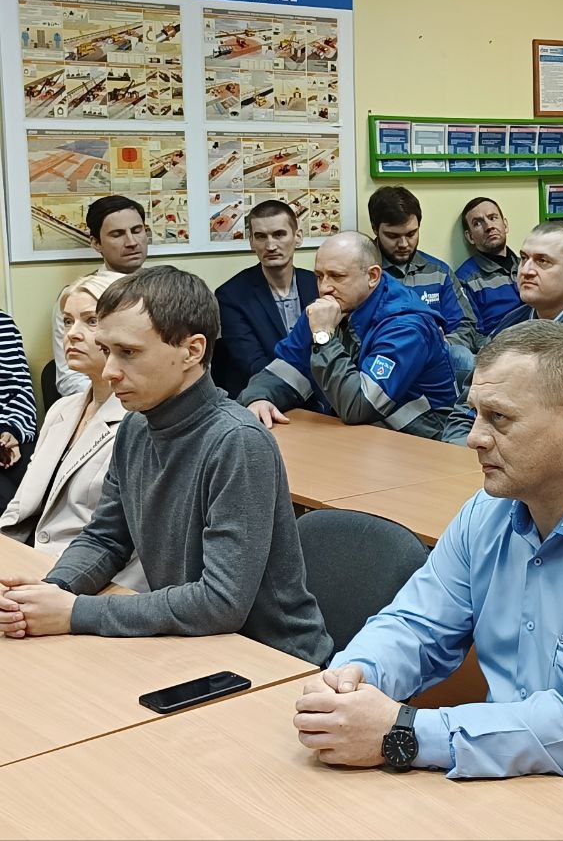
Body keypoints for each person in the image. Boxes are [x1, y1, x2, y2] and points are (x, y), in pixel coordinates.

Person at [293, 322, 563, 814]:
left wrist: (404, 731)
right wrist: (353, 677)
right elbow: (416, 626)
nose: (473, 438)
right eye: (475, 413)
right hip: (506, 762)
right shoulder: (489, 510)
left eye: (498, 418)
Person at [0, 267, 332, 665]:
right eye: (107, 351)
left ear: (192, 351)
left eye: (128, 353)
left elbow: (221, 602)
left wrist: (74, 613)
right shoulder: (136, 426)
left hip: (275, 660)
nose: (109, 371)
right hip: (191, 644)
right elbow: (106, 538)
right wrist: (52, 591)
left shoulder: (238, 441)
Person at [0, 273, 143, 590]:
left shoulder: (142, 421)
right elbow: (20, 508)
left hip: (92, 584)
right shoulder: (61, 410)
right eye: (67, 321)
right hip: (28, 563)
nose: (72, 334)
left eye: (91, 321)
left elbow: (127, 547)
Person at [239, 232, 456, 440]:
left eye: (337, 276)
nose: (324, 288)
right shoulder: (328, 309)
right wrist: (258, 397)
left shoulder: (406, 325)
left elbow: (360, 407)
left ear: (372, 277)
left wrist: (324, 337)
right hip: (358, 437)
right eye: (319, 276)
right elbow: (286, 368)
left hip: (420, 442)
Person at [441, 223, 563, 443]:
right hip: (493, 450)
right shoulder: (509, 325)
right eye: (524, 258)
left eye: (542, 261)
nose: (526, 270)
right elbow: (465, 410)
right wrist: (463, 451)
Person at [213, 200, 318, 399]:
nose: (270, 246)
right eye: (261, 237)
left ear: (297, 237)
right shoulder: (231, 295)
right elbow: (253, 364)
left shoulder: (318, 286)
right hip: (262, 396)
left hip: (320, 396)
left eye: (279, 234)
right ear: (251, 242)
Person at [368, 185, 480, 360]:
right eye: (393, 236)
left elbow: (466, 325)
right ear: (375, 229)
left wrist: (445, 344)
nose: (404, 244)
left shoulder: (439, 273)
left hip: (435, 359)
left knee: (462, 357)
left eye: (411, 234)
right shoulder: (362, 274)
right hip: (382, 360)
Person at [51, 195, 148, 397]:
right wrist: (117, 402)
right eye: (117, 234)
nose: (131, 242)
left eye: (137, 231)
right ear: (96, 243)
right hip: (105, 403)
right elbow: (70, 377)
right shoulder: (76, 298)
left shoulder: (171, 291)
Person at [454, 197, 520, 340]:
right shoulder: (464, 280)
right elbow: (473, 336)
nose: (489, 226)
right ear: (470, 237)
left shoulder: (528, 266)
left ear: (505, 225)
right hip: (502, 347)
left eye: (493, 218)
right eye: (478, 223)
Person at [0, 309, 38, 516]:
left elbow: (21, 390)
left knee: (43, 487)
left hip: (7, 431)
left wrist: (10, 432)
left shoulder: (3, 324)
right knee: (8, 506)